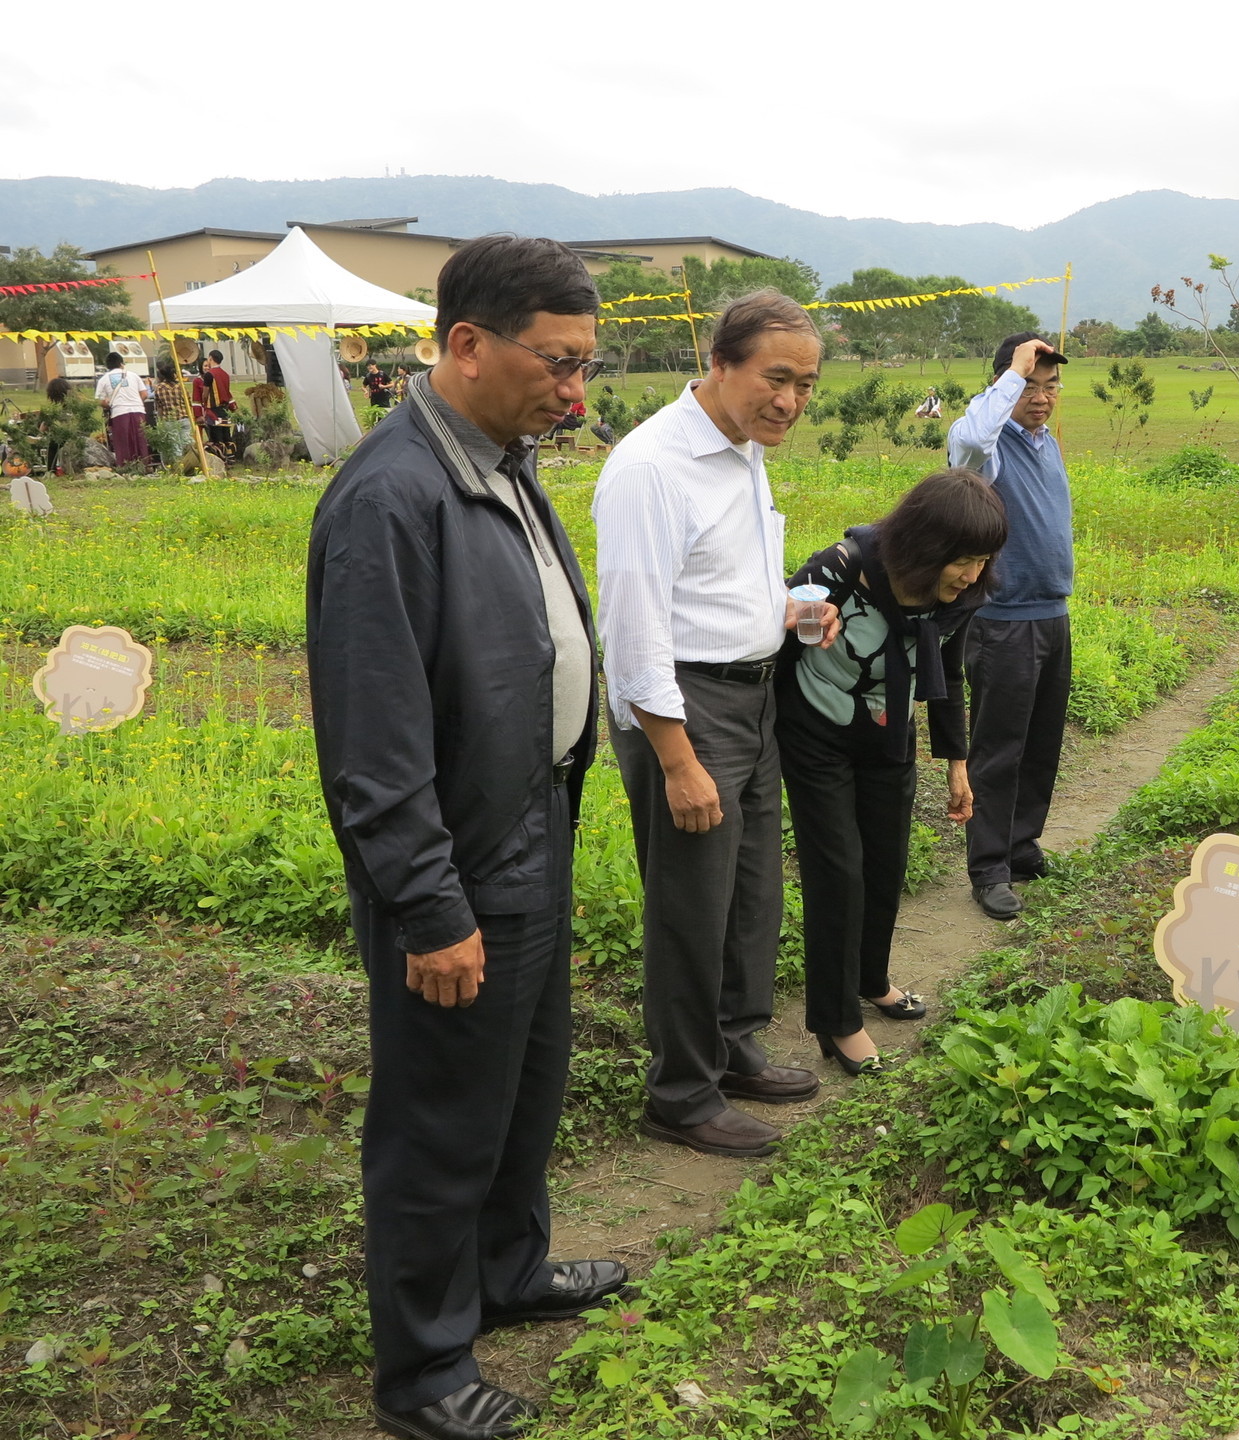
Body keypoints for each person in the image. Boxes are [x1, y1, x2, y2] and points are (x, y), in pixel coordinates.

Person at [307, 234, 626, 1440]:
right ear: (465, 345)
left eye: (585, 364)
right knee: (441, 1119)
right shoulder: (393, 497)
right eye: (556, 362)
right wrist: (431, 911)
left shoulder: (501, 457)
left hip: (530, 830)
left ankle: (511, 1267)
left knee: (524, 1089)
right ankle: (427, 1369)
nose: (574, 391)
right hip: (459, 864)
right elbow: (375, 745)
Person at [595, 289, 838, 1161]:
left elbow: (716, 581)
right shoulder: (651, 466)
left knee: (749, 894)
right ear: (720, 362)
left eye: (806, 385)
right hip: (686, 708)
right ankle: (681, 1091)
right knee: (691, 907)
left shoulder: (741, 449)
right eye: (776, 378)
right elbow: (633, 627)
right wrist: (676, 758)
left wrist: (792, 610)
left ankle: (732, 1043)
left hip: (753, 695)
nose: (791, 401)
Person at [778, 468, 1005, 1073]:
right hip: (815, 735)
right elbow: (773, 632)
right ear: (926, 547)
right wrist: (806, 621)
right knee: (839, 872)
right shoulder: (841, 569)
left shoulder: (956, 596)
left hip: (889, 735)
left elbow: (946, 674)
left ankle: (871, 978)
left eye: (982, 559)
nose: (972, 574)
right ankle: (835, 1020)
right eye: (962, 559)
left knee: (886, 862)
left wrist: (957, 764)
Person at [946, 332, 1074, 921]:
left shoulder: (1046, 443)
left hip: (1051, 616)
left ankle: (1021, 846)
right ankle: (989, 867)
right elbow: (970, 436)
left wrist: (1029, 376)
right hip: (1002, 622)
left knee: (1042, 744)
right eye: (1030, 384)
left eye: (1050, 386)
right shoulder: (986, 447)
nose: (1042, 397)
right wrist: (1013, 373)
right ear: (1003, 384)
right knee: (999, 749)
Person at [93, 352, 152, 467]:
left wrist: (110, 404)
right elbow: (144, 394)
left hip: (119, 413)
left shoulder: (103, 379)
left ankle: (126, 467)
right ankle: (144, 465)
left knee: (123, 441)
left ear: (107, 366)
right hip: (138, 411)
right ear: (121, 363)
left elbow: (100, 401)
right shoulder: (133, 375)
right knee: (140, 439)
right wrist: (135, 402)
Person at [150, 360, 191, 463]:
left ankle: (179, 467)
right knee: (187, 443)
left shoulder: (159, 388)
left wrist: (161, 421)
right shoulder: (181, 386)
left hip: (169, 420)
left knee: (175, 446)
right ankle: (190, 463)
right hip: (184, 418)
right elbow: (188, 402)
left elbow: (159, 407)